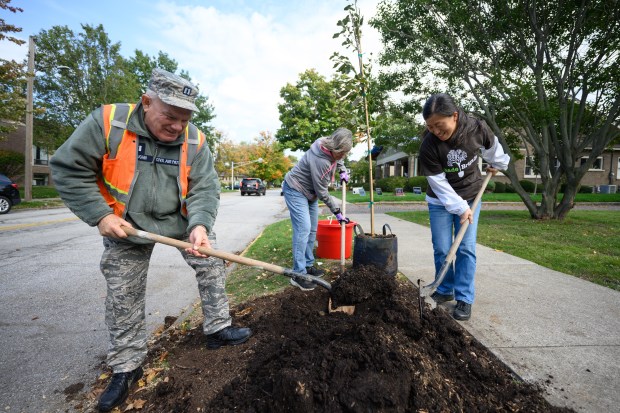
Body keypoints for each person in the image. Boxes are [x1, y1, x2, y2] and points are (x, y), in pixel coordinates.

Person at [50, 68, 252, 412]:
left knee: (212, 262)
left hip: (181, 222)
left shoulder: (195, 140)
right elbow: (69, 169)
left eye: (184, 119)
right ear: (146, 102)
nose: (177, 126)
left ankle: (218, 329)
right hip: (126, 225)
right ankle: (127, 366)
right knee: (123, 293)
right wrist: (100, 215)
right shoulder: (108, 122)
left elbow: (205, 187)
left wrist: (200, 225)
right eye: (170, 116)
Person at [419, 93, 510, 321]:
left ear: (455, 116)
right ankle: (444, 289)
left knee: (466, 248)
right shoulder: (428, 146)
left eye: (439, 126)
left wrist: (497, 163)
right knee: (442, 247)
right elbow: (438, 184)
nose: (436, 132)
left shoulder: (476, 129)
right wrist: (460, 208)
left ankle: (465, 297)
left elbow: (493, 147)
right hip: (441, 201)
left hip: (471, 194)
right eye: (430, 127)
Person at [282, 128, 353, 291]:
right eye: (342, 153)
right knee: (303, 229)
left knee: (312, 230)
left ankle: (307, 266)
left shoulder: (330, 146)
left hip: (310, 193)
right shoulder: (321, 161)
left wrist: (342, 169)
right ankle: (298, 274)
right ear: (334, 148)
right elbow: (322, 192)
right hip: (295, 189)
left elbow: (339, 158)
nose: (343, 156)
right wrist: (337, 212)